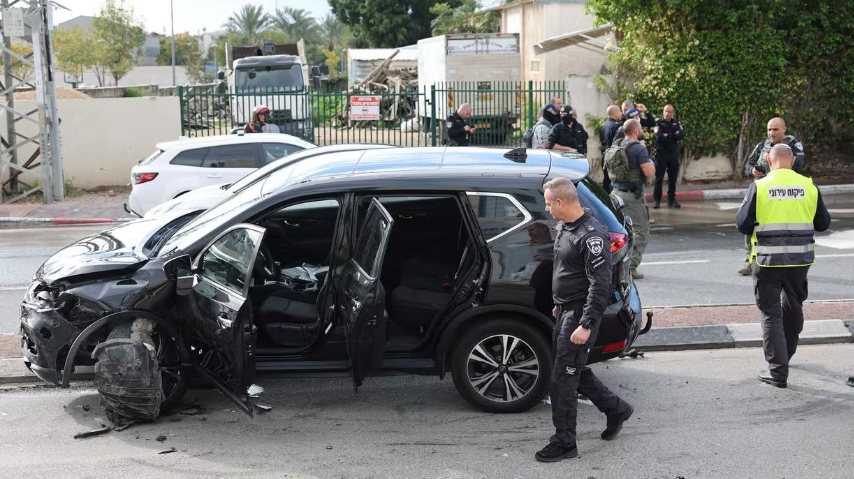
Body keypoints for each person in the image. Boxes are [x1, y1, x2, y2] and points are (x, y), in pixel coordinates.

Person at [536, 177, 634, 463]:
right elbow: (568, 271)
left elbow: (600, 285)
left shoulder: (591, 236)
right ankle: (616, 408)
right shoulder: (566, 227)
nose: (547, 208)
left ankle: (565, 442)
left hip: (580, 315)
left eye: (548, 203)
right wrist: (560, 305)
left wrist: (586, 324)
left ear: (560, 201)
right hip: (566, 311)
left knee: (562, 380)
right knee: (571, 369)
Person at [735, 144, 830, 388]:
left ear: (768, 159)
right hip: (800, 260)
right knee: (793, 305)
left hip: (768, 260)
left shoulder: (760, 186)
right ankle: (786, 355)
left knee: (770, 313)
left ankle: (778, 371)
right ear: (793, 160)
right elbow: (823, 223)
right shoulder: (809, 186)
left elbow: (743, 224)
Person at [737, 118, 807, 275]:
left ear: (784, 129)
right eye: (769, 129)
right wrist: (752, 170)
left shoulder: (793, 145)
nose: (771, 133)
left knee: (782, 230)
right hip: (762, 193)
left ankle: (786, 262)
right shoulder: (762, 145)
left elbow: (798, 165)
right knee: (751, 226)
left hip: (783, 194)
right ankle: (750, 262)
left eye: (775, 129)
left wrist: (774, 164)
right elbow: (748, 164)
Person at [607, 119, 656, 279]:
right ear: (635, 130)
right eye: (640, 128)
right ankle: (631, 267)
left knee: (618, 231)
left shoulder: (617, 144)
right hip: (632, 197)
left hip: (615, 193)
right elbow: (649, 172)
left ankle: (613, 264)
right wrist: (651, 162)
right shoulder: (638, 149)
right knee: (641, 230)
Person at [653, 104, 685, 209]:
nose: (667, 113)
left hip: (673, 154)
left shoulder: (677, 122)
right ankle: (657, 200)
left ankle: (671, 200)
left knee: (673, 178)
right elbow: (659, 137)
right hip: (661, 153)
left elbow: (681, 135)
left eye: (669, 112)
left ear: (672, 113)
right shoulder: (657, 123)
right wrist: (673, 135)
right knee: (659, 178)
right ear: (663, 111)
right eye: (666, 111)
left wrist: (668, 135)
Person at [599, 105, 623, 193]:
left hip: (605, 155)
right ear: (615, 113)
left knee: (606, 180)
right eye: (620, 111)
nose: (621, 113)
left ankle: (604, 199)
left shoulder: (603, 125)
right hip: (613, 157)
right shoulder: (618, 126)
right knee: (615, 181)